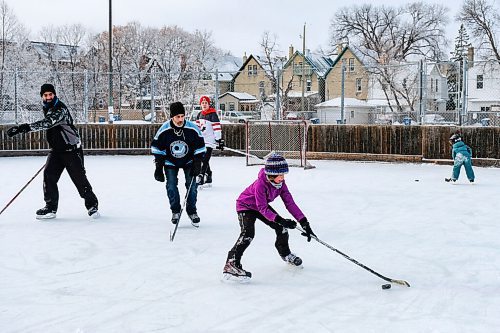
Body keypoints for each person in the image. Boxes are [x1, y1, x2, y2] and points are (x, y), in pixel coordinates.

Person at [6, 83, 99, 219]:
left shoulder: (59, 108)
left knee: (79, 179)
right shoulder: (48, 108)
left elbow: (48, 122)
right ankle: (50, 208)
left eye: (50, 94)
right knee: (49, 176)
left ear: (54, 95)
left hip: (71, 149)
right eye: (45, 95)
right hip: (57, 150)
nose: (48, 97)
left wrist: (23, 128)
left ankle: (92, 206)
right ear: (42, 97)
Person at [222, 153, 316, 281]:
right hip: (246, 206)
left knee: (281, 229)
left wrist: (304, 222)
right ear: (271, 175)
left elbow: (290, 203)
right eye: (280, 175)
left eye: (284, 175)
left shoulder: (281, 184)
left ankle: (286, 254)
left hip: (261, 206)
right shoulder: (261, 184)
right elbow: (262, 208)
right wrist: (281, 220)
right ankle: (231, 263)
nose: (282, 178)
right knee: (248, 234)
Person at [151, 101, 206, 227]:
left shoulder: (192, 128)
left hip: (189, 161)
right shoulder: (165, 129)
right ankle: (175, 211)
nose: (180, 119)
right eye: (177, 117)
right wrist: (158, 166)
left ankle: (192, 211)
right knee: (171, 185)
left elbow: (200, 146)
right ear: (172, 117)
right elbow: (156, 148)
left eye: (182, 116)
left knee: (192, 186)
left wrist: (198, 162)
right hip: (170, 162)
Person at [195, 95, 224, 187]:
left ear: (208, 104)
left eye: (206, 103)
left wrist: (218, 139)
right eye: (202, 103)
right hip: (202, 141)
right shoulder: (199, 114)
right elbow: (197, 128)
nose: (204, 104)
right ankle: (209, 175)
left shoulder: (213, 114)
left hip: (210, 141)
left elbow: (217, 128)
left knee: (205, 159)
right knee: (202, 158)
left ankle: (201, 175)